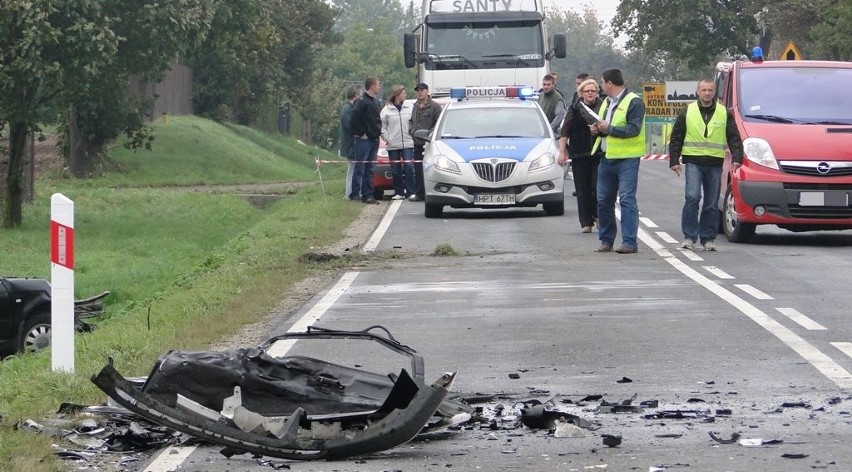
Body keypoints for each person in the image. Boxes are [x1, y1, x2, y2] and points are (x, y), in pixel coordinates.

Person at [668, 78, 744, 251]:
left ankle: (708, 238)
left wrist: (737, 158)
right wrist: (674, 160)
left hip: (715, 163)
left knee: (711, 203)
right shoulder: (688, 111)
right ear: (698, 92)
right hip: (693, 161)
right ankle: (689, 236)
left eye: (710, 90)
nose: (707, 93)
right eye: (704, 90)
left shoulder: (724, 113)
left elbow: (734, 137)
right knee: (692, 198)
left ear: (714, 92)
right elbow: (677, 136)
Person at [591, 68, 646, 254]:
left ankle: (630, 242)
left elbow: (634, 129)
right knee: (603, 200)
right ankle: (606, 240)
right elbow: (605, 127)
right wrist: (597, 129)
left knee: (626, 200)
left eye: (602, 82)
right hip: (607, 158)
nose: (600, 87)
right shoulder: (606, 102)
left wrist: (610, 129)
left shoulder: (634, 102)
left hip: (627, 159)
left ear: (609, 83)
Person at [559, 78, 604, 233]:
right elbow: (565, 131)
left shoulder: (603, 106)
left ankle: (598, 216)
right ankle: (586, 222)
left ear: (597, 92)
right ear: (581, 93)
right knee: (582, 189)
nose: (590, 93)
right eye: (587, 91)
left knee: (597, 188)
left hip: (598, 153)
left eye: (593, 90)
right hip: (579, 153)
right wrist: (562, 150)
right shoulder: (574, 108)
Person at [349, 77, 382, 204]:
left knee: (371, 167)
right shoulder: (361, 102)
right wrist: (362, 133)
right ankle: (355, 194)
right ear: (372, 86)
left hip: (374, 138)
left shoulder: (375, 102)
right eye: (378, 85)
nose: (379, 87)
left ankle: (368, 194)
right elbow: (354, 119)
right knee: (360, 166)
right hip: (364, 140)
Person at [380, 85, 415, 200]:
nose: (405, 95)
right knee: (395, 168)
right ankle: (399, 192)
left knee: (409, 166)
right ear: (397, 95)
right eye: (403, 93)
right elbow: (382, 126)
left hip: (408, 142)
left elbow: (415, 123)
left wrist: (412, 134)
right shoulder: (386, 110)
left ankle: (411, 191)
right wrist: (387, 138)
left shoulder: (410, 107)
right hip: (393, 143)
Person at [409, 82, 442, 201]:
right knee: (417, 168)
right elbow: (411, 121)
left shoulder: (435, 107)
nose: (420, 92)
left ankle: (432, 192)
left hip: (429, 143)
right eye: (418, 90)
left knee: (430, 168)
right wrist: (412, 131)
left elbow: (438, 124)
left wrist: (429, 134)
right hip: (417, 142)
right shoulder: (415, 106)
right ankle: (419, 193)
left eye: (422, 90)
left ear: (427, 91)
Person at [340, 85, 360, 200]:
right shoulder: (347, 109)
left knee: (353, 169)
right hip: (351, 144)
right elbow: (350, 126)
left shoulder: (349, 108)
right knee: (352, 170)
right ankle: (348, 194)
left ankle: (351, 193)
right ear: (356, 95)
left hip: (351, 144)